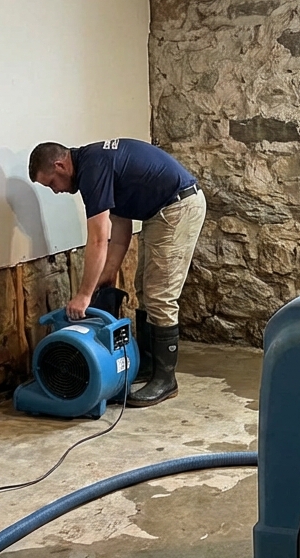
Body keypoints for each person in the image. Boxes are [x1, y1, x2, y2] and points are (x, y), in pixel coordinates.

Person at [29, 138, 206, 407]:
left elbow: (98, 239)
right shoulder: (96, 164)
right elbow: (119, 230)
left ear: (60, 164)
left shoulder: (92, 169)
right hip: (161, 212)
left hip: (177, 207)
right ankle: (148, 365)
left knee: (160, 295)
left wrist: (84, 295)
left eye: (51, 183)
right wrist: (109, 273)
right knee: (146, 290)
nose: (55, 191)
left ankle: (166, 380)